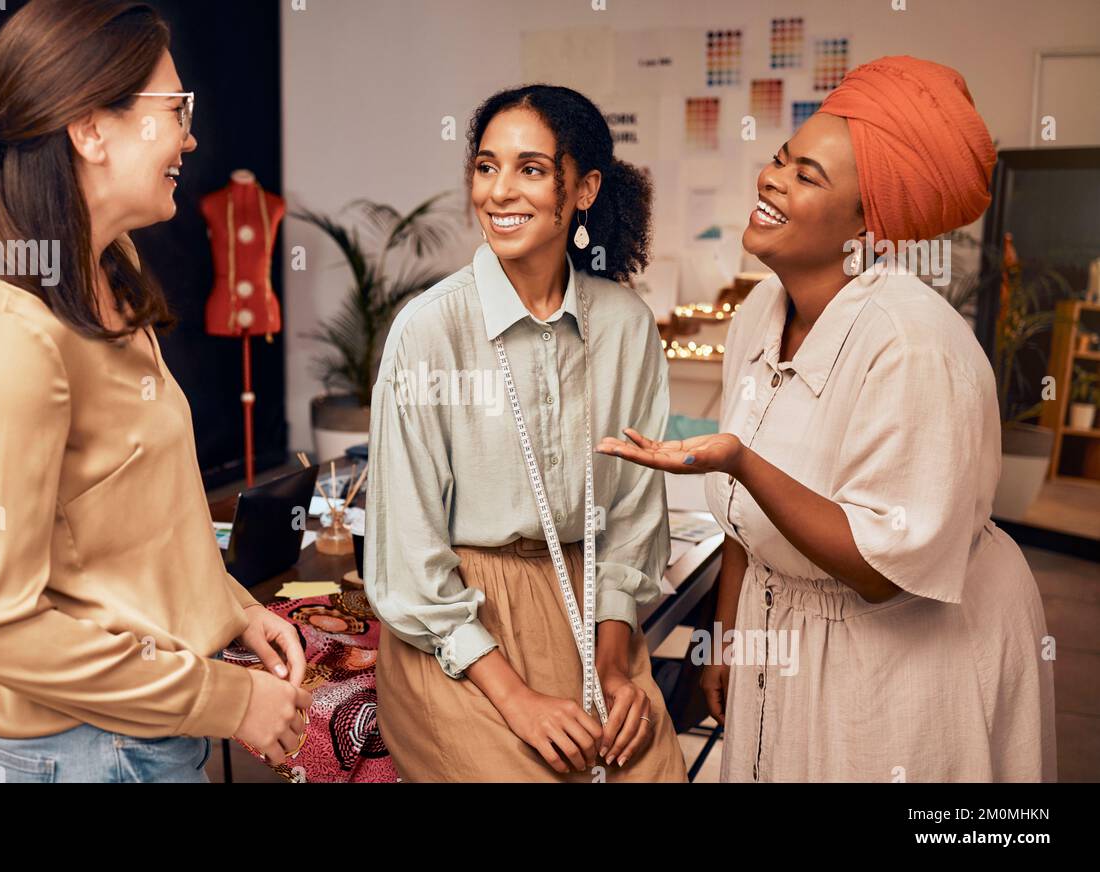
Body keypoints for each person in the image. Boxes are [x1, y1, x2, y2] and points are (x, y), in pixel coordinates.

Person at [598, 56, 1056, 782]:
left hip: (900, 652)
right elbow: (747, 522)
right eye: (781, 159)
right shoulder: (758, 314)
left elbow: (881, 568)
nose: (771, 179)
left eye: (807, 176)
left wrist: (740, 460)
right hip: (791, 634)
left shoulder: (914, 347)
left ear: (870, 223)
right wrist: (727, 637)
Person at [0, 0, 309, 783]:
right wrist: (227, 700)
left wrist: (230, 606)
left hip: (142, 745)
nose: (190, 137)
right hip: (85, 756)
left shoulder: (114, 274)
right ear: (91, 130)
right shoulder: (19, 336)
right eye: (176, 110)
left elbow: (135, 523)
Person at [365, 84, 688, 782]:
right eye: (486, 167)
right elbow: (408, 554)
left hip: (590, 604)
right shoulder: (429, 331)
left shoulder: (626, 327)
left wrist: (614, 672)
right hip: (456, 623)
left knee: (647, 767)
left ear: (584, 188)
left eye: (531, 169)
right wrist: (515, 700)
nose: (499, 191)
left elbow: (631, 517)